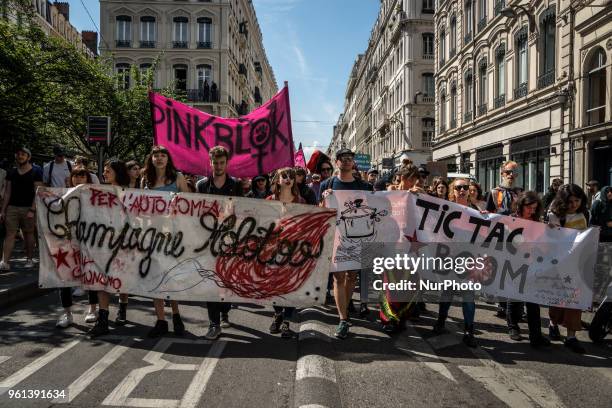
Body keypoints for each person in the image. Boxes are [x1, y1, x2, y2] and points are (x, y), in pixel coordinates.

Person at [320, 148, 373, 339]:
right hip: (337, 237)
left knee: (352, 277)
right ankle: (343, 319)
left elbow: (374, 208)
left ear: (353, 163)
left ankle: (345, 305)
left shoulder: (364, 186)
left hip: (358, 238)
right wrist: (325, 199)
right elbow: (320, 211)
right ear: (337, 163)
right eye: (343, 159)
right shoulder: (328, 184)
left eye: (350, 159)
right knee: (338, 277)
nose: (347, 161)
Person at [196, 146, 242, 340]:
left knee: (226, 281)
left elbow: (242, 210)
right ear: (210, 162)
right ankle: (214, 323)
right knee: (210, 282)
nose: (219, 165)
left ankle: (225, 310)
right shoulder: (201, 186)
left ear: (227, 163)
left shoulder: (236, 185)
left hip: (229, 240)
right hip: (207, 240)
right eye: (215, 162)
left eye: (222, 162)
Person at [88, 159, 135, 337]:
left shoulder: (129, 193)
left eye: (108, 171)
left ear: (117, 172)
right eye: (104, 171)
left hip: (124, 243)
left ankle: (122, 308)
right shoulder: (100, 191)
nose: (104, 174)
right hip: (104, 244)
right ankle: (103, 319)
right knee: (102, 280)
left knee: (121, 279)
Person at [432, 178, 478, 347]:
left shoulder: (477, 213)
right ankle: (440, 322)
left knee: (468, 297)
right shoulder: (446, 210)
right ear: (453, 191)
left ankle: (469, 331)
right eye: (459, 187)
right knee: (447, 293)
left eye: (466, 187)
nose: (463, 190)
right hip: (449, 259)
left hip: (469, 260)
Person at [504, 192, 552, 347]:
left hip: (531, 265)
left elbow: (543, 246)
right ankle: (513, 327)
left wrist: (551, 231)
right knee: (514, 297)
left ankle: (536, 335)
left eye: (534, 208)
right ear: (521, 205)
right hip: (513, 264)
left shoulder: (537, 223)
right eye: (529, 207)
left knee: (533, 302)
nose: (531, 210)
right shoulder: (510, 219)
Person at [379, 164, 423, 333]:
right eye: (409, 178)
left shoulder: (417, 194)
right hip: (392, 243)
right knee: (390, 283)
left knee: (408, 283)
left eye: (415, 179)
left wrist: (421, 195)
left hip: (411, 245)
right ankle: (388, 318)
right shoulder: (390, 192)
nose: (412, 182)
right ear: (402, 177)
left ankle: (402, 317)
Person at [546, 184, 589, 353]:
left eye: (577, 201)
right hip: (559, 262)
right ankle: (553, 323)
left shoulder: (584, 213)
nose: (574, 205)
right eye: (570, 201)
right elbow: (552, 239)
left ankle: (571, 336)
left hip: (578, 263)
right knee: (557, 296)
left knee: (575, 299)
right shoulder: (555, 216)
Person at [56, 168, 99, 328]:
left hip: (89, 242)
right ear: (71, 178)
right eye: (76, 176)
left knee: (91, 275)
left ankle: (92, 309)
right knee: (64, 278)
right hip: (67, 242)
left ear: (88, 179)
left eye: (83, 176)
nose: (79, 178)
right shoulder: (62, 195)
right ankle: (68, 314)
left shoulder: (94, 196)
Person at [266, 167, 306, 338]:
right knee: (273, 285)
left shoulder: (301, 201)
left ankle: (287, 323)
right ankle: (277, 314)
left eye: (291, 176)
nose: (288, 179)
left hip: (294, 249)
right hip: (273, 249)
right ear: (277, 180)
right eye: (284, 176)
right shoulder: (269, 200)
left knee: (291, 286)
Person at [485, 161, 522, 318]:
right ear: (502, 173)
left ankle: (514, 306)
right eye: (508, 172)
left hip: (516, 237)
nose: (511, 175)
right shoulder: (494, 192)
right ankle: (502, 305)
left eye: (514, 172)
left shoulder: (521, 193)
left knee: (513, 270)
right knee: (500, 269)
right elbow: (488, 215)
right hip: (499, 236)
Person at [0, 147, 42, 271]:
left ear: (28, 157)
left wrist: (33, 209)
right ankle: (5, 262)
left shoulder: (36, 172)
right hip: (12, 207)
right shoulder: (11, 172)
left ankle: (29, 259)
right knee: (10, 234)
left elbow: (38, 192)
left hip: (28, 208)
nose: (20, 156)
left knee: (29, 233)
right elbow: (7, 192)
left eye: (23, 154)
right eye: (18, 154)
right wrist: (3, 210)